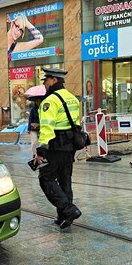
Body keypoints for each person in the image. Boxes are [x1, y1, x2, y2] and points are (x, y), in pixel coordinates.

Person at [34, 68, 82, 229]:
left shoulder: (50, 100)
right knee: (64, 180)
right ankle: (63, 216)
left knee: (45, 178)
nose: (44, 84)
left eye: (45, 80)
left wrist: (41, 150)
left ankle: (68, 210)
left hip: (55, 146)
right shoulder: (72, 98)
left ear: (53, 80)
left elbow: (47, 127)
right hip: (70, 146)